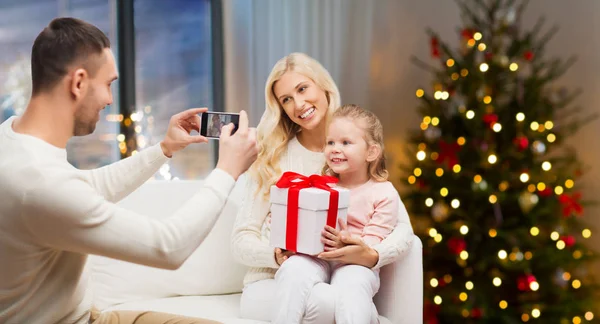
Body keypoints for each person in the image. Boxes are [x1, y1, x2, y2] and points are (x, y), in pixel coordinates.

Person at [0, 17, 257, 324]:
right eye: (108, 84)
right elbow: (168, 248)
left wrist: (164, 149)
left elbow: (87, 185)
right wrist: (228, 169)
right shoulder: (39, 184)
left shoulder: (12, 138)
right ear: (78, 82)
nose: (110, 100)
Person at [231, 52, 415, 323]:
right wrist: (278, 254)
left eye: (303, 89)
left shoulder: (353, 153)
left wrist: (372, 254)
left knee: (339, 295)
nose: (298, 104)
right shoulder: (272, 156)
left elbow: (403, 230)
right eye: (286, 100)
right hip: (271, 280)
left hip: (335, 272)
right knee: (328, 300)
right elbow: (240, 239)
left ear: (324, 87)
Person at [272, 104, 399, 324]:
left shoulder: (383, 192)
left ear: (371, 152)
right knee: (292, 270)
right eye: (330, 142)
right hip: (317, 257)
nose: (334, 148)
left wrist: (349, 246)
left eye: (346, 143)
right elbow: (301, 223)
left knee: (352, 283)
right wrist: (289, 243)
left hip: (355, 263)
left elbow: (372, 243)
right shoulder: (319, 185)